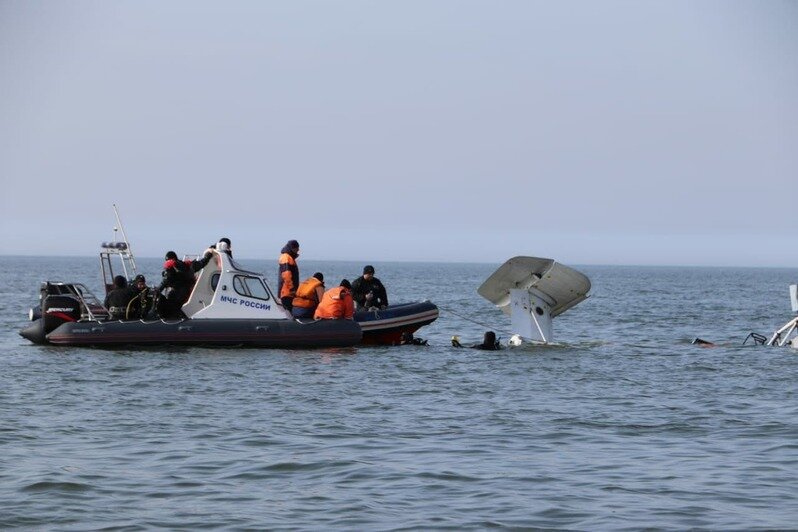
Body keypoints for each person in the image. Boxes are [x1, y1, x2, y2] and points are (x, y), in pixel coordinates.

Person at [156, 249, 214, 319]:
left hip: (177, 294)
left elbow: (165, 281)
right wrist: (209, 255)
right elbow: (202, 263)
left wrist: (157, 290)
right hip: (186, 292)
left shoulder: (171, 268)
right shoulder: (189, 265)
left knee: (165, 303)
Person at [278, 239, 300, 311]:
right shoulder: (286, 257)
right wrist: (291, 289)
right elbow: (286, 274)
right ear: (293, 248)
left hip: (288, 292)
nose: (298, 250)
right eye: (297, 248)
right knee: (289, 311)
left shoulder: (289, 257)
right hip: (287, 292)